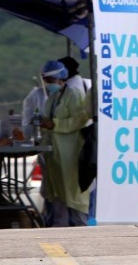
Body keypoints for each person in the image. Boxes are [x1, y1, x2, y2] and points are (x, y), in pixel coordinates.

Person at [39, 60, 90, 227]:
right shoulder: (53, 98)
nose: (48, 85)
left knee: (73, 193)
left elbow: (80, 119)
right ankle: (60, 227)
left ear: (60, 79)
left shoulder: (73, 94)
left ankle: (79, 228)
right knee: (58, 191)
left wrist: (55, 124)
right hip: (55, 151)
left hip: (70, 150)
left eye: (50, 81)